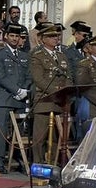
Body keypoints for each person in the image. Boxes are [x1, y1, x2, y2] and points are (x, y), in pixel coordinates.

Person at [29, 23, 72, 164]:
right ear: (43, 39)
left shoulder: (62, 56)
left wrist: (67, 90)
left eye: (57, 36)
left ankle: (52, 163)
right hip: (44, 100)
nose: (56, 38)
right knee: (40, 137)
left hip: (60, 102)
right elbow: (38, 79)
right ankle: (38, 164)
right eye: (52, 36)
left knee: (54, 138)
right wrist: (56, 90)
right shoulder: (37, 56)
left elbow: (68, 76)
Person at [0, 22, 31, 172]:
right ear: (6, 37)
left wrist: (24, 89)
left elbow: (28, 75)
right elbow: (0, 76)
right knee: (0, 131)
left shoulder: (24, 56)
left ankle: (18, 159)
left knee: (19, 132)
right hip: (5, 98)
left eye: (17, 36)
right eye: (12, 36)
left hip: (20, 98)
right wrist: (16, 90)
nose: (14, 39)